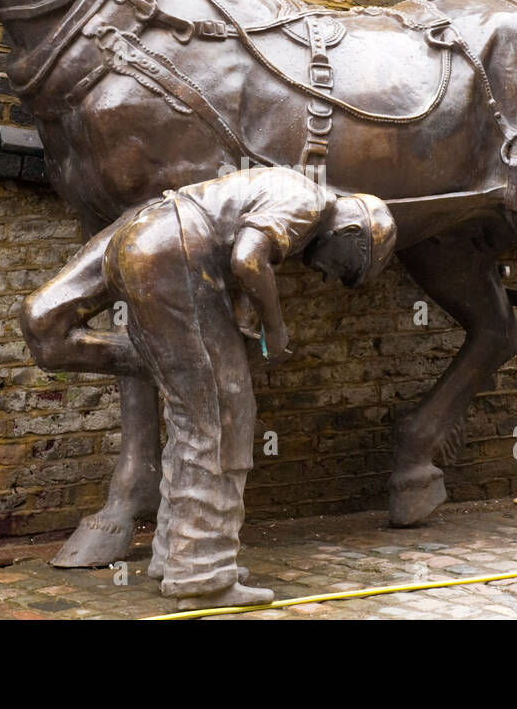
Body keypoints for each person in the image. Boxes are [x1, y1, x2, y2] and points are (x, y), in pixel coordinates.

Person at [102, 166, 397, 609]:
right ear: (351, 231)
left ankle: (179, 557)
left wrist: (245, 309)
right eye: (344, 268)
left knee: (192, 413)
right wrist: (275, 327)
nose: (327, 277)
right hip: (172, 253)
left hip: (145, 246)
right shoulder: (310, 201)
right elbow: (247, 258)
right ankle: (203, 576)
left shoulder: (286, 188)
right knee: (226, 415)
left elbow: (234, 247)